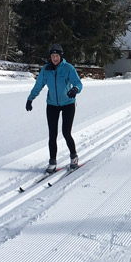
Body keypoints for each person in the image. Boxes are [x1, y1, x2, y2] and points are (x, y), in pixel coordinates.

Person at [26, 43, 83, 173]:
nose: (55, 58)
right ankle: (52, 161)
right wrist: (30, 98)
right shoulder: (46, 70)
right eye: (53, 56)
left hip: (68, 103)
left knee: (66, 132)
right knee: (52, 134)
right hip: (52, 104)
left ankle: (73, 157)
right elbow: (38, 85)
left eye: (57, 56)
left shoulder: (68, 68)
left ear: (61, 56)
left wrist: (75, 89)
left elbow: (78, 83)